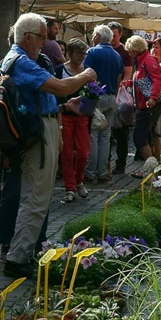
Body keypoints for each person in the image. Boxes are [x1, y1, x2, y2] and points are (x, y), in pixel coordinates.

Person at [1, 13, 97, 279]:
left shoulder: (15, 59)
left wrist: (64, 107)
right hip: (37, 135)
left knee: (34, 196)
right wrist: (86, 76)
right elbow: (62, 86)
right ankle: (18, 258)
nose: (46, 43)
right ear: (28, 37)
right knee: (36, 197)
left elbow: (46, 96)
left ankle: (22, 252)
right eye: (43, 37)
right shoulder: (22, 61)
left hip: (37, 130)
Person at [83, 25, 121, 183]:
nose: (92, 38)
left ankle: (90, 173)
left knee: (92, 134)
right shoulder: (117, 55)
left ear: (98, 36)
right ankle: (101, 172)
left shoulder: (92, 52)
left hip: (95, 95)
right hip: (111, 96)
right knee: (105, 136)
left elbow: (85, 74)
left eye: (93, 35)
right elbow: (119, 77)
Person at [58, 38, 92, 203]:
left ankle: (79, 181)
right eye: (78, 53)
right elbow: (54, 96)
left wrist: (87, 101)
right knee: (66, 154)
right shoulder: (59, 71)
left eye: (83, 53)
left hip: (83, 118)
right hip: (65, 117)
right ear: (69, 53)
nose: (81, 56)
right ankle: (70, 188)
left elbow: (95, 95)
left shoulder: (87, 71)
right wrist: (66, 105)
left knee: (83, 154)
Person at [127, 34, 161, 177]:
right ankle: (151, 168)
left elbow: (157, 79)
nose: (129, 54)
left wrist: (153, 97)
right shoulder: (141, 61)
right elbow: (143, 80)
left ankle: (150, 169)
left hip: (148, 105)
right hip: (143, 104)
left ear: (136, 49)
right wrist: (129, 83)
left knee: (139, 137)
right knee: (146, 137)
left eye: (130, 50)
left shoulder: (147, 60)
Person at [108, 22, 134, 174]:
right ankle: (106, 164)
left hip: (119, 97)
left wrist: (117, 88)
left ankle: (120, 164)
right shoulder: (104, 47)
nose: (112, 38)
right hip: (108, 94)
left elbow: (127, 74)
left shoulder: (124, 52)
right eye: (110, 35)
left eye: (115, 35)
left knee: (121, 133)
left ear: (120, 35)